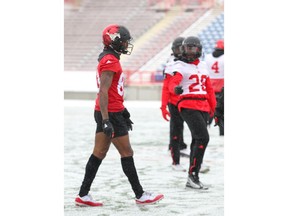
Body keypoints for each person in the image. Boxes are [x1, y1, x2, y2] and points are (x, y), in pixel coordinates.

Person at [75, 24, 164, 206]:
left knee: (99, 152)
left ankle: (83, 195)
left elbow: (111, 91)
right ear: (114, 41)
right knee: (126, 152)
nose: (126, 44)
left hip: (108, 111)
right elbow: (103, 91)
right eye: (123, 41)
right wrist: (108, 119)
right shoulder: (110, 61)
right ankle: (140, 195)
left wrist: (123, 110)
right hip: (110, 113)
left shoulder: (109, 58)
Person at [168, 36, 216, 189]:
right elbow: (173, 82)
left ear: (199, 49)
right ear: (182, 49)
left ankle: (193, 176)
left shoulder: (202, 65)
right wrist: (175, 89)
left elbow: (209, 89)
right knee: (203, 138)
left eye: (192, 48)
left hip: (203, 105)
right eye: (187, 48)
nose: (189, 52)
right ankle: (192, 176)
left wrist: (214, 110)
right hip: (188, 103)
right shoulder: (180, 65)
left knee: (198, 140)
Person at [160, 36, 188, 172]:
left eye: (183, 48)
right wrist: (163, 105)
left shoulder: (191, 62)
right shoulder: (171, 64)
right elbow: (166, 87)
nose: (181, 51)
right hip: (175, 102)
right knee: (176, 130)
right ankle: (175, 159)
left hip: (188, 101)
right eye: (178, 48)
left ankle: (181, 149)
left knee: (192, 130)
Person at [204, 39, 224, 135]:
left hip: (210, 86)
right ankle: (222, 132)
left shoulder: (207, 57)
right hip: (223, 87)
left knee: (210, 109)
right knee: (222, 112)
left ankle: (205, 127)